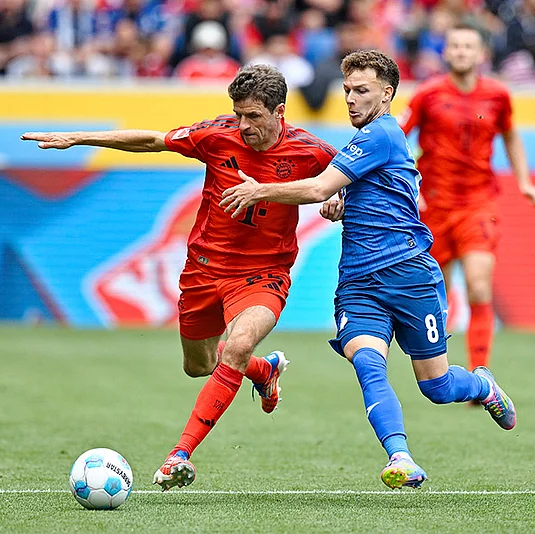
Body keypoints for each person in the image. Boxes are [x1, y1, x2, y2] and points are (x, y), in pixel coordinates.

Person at [21, 64, 338, 491]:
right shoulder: (215, 135)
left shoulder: (313, 151)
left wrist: (338, 200)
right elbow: (153, 140)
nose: (243, 125)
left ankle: (179, 455)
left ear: (279, 111)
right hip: (204, 271)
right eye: (238, 114)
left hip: (264, 274)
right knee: (200, 366)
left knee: (238, 345)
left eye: (254, 117)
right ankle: (264, 371)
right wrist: (78, 137)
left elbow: (350, 183)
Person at [220, 50, 516, 489]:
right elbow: (365, 190)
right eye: (347, 91)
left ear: (387, 93)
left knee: (435, 387)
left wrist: (262, 190)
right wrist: (347, 203)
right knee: (368, 364)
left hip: (411, 274)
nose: (351, 99)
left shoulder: (381, 134)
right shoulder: (366, 142)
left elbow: (320, 185)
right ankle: (401, 457)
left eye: (362, 90)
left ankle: (482, 387)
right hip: (359, 283)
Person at [398, 23, 535, 374]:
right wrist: (407, 185)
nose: (462, 52)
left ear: (482, 54)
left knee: (480, 285)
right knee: (437, 293)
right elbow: (396, 136)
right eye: (455, 45)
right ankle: (441, 372)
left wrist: (525, 182)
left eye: (469, 46)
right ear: (445, 52)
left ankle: (481, 373)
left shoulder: (498, 95)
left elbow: (511, 136)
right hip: (434, 204)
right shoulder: (428, 94)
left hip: (479, 203)